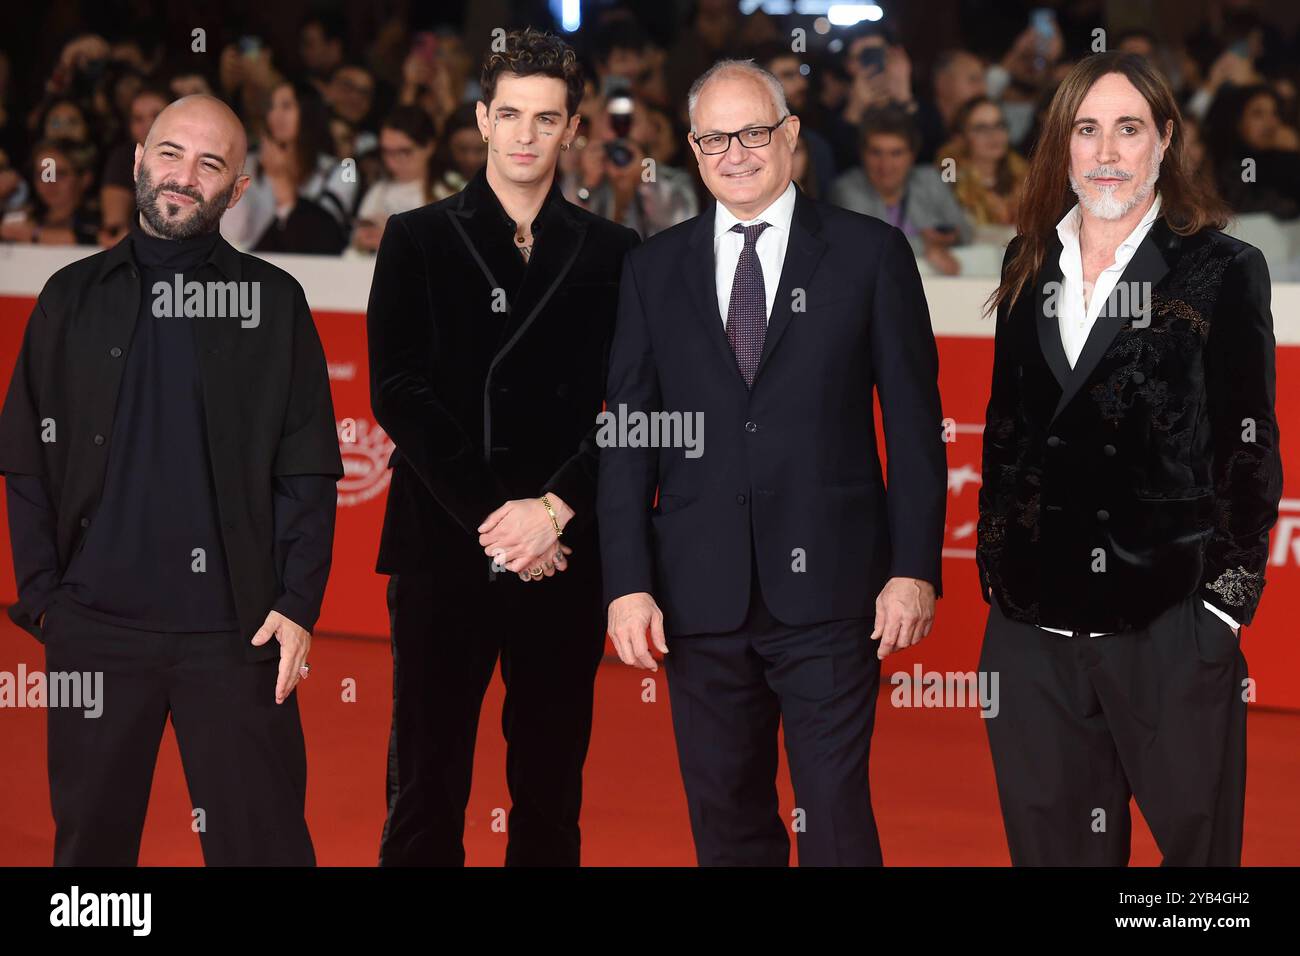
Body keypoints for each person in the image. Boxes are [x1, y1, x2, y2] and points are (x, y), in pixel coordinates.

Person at [598, 59, 946, 866]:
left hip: (832, 593)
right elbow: (628, 435)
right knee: (726, 821)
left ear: (790, 135)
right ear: (692, 146)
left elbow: (918, 428)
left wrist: (913, 567)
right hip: (696, 597)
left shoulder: (869, 255)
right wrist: (626, 582)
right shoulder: (654, 269)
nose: (736, 152)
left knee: (833, 816)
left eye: (754, 131)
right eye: (715, 137)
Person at [0, 94, 343, 865]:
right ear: (137, 162)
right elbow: (24, 455)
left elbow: (309, 467)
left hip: (238, 635)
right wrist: (45, 598)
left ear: (238, 189)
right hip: (93, 629)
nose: (184, 176)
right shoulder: (70, 298)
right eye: (170, 153)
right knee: (91, 854)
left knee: (265, 850)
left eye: (209, 163)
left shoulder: (274, 304)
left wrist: (297, 606)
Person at [977, 52, 1282, 866]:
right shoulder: (1028, 261)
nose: (1107, 151)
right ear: (1062, 146)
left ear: (1165, 141)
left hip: (1169, 625)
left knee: (1196, 877)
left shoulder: (1221, 269)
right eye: (1087, 129)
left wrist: (1221, 610)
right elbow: (1005, 433)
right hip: (1033, 628)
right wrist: (997, 576)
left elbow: (1249, 448)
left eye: (1128, 128)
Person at [367, 28, 638, 867]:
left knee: (551, 784)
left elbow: (631, 411)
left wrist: (553, 511)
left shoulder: (615, 253)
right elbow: (398, 395)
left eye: (547, 118)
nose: (526, 135)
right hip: (444, 544)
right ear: (482, 119)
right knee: (426, 778)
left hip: (565, 552)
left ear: (573, 129)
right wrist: (499, 520)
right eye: (510, 114)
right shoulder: (415, 238)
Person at [829, 107, 972, 275]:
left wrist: (951, 237)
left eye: (896, 153)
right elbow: (869, 247)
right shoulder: (846, 189)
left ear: (912, 156)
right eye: (876, 153)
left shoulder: (929, 179)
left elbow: (966, 231)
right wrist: (926, 246)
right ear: (862, 154)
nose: (885, 165)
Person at [219, 80, 354, 253]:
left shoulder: (342, 171)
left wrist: (280, 179)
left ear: (309, 111)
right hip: (248, 266)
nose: (276, 115)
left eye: (286, 106)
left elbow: (324, 236)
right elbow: (232, 234)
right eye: (272, 107)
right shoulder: (248, 163)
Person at [352, 105, 437, 252]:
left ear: (429, 147)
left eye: (404, 152)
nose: (392, 161)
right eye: (386, 152)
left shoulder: (449, 191)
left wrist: (395, 242)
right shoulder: (378, 190)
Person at [938, 95, 1027, 228]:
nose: (993, 135)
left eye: (999, 125)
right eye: (981, 129)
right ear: (961, 137)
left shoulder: (1024, 176)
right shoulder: (950, 180)